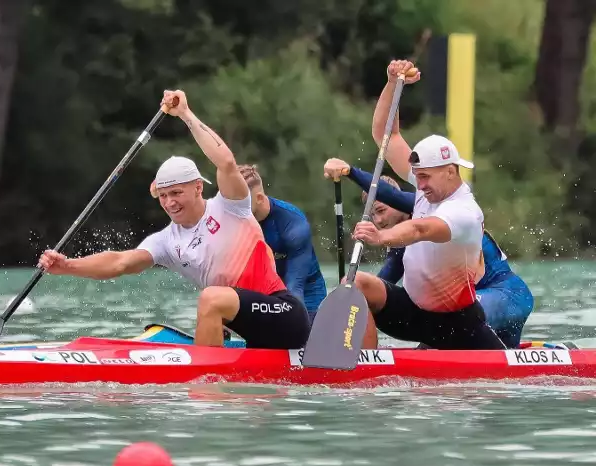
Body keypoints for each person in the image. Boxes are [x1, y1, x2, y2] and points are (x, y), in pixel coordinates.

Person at [38, 90, 311, 350]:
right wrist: (69, 266)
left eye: (177, 193)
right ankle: (213, 377)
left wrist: (185, 114)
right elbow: (120, 262)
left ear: (198, 188)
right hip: (250, 329)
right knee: (212, 302)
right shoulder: (167, 241)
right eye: (164, 196)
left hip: (284, 314)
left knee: (210, 299)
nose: (170, 202)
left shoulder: (231, 206)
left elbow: (226, 163)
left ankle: (204, 384)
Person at [323, 60, 505, 350]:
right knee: (354, 282)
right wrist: (393, 83)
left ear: (450, 171)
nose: (418, 185)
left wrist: (380, 236)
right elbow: (387, 135)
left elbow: (420, 229)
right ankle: (363, 364)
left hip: (457, 324)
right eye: (416, 177)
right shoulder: (429, 184)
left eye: (424, 177)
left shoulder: (464, 212)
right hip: (412, 312)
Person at [324, 160, 534, 348]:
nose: (377, 221)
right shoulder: (400, 247)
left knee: (441, 329)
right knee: (435, 334)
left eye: (381, 210)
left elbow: (393, 197)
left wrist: (349, 171)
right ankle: (367, 362)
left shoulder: (424, 207)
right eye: (372, 215)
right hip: (469, 309)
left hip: (505, 294)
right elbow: (378, 289)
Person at [238, 164, 327, 320]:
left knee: (298, 325)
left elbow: (294, 287)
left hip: (306, 292)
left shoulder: (293, 224)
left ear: (259, 198)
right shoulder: (235, 219)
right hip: (265, 292)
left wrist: (294, 327)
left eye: (241, 201)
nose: (234, 208)